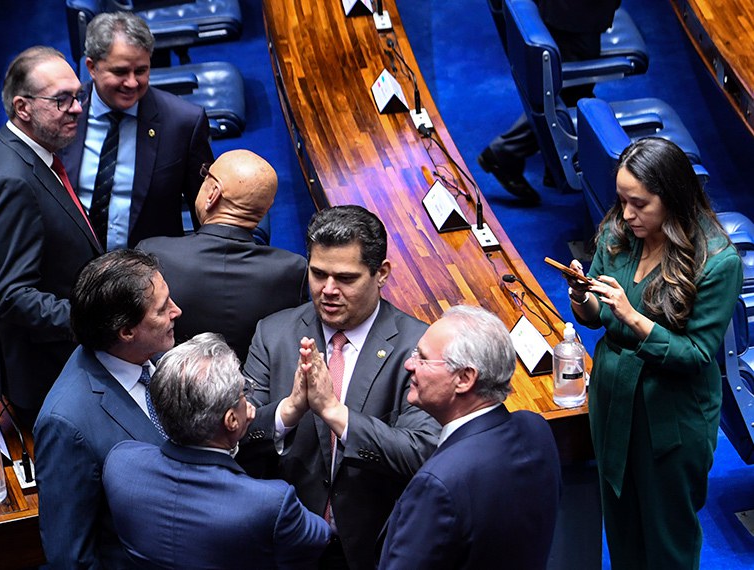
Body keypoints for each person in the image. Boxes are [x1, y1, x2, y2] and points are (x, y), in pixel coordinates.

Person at [565, 137, 742, 567]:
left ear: (673, 196)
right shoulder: (618, 232)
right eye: (623, 199)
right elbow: (594, 315)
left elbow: (697, 355)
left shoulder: (718, 262)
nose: (627, 214)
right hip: (612, 401)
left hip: (671, 417)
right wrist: (580, 296)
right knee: (621, 529)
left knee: (667, 541)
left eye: (640, 203)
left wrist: (633, 317)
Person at [241, 205, 439, 569]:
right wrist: (288, 411)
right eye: (318, 274)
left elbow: (421, 453)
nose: (328, 290)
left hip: (376, 545)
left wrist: (336, 413)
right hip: (287, 542)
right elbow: (234, 438)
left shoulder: (418, 345)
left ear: (381, 274)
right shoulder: (273, 334)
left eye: (346, 278)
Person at [103, 333, 330, 568]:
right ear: (231, 420)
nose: (248, 402)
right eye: (244, 393)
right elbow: (319, 537)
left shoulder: (121, 463)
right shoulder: (270, 503)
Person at [0, 46, 102, 430]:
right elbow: (13, 296)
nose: (77, 108)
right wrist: (95, 322)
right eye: (62, 100)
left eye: (79, 95)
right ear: (23, 108)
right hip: (46, 373)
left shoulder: (26, 150)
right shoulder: (13, 180)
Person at [377, 305, 561, 569]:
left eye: (423, 358)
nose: (409, 364)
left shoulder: (438, 483)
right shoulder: (536, 429)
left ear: (464, 378)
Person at [34, 249, 182, 569]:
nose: (177, 311)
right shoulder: (66, 425)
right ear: (126, 332)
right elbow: (69, 555)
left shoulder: (150, 353)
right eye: (162, 309)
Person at [58, 11, 214, 250]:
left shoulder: (183, 123)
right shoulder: (62, 113)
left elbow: (206, 215)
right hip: (72, 270)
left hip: (150, 275)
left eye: (141, 71)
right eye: (120, 72)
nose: (131, 83)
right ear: (92, 67)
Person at [138, 149, 309, 362]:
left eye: (205, 176)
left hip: (169, 388)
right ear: (266, 210)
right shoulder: (293, 270)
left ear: (213, 194)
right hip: (257, 392)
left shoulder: (153, 253)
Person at [478, 0, 621, 202]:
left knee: (572, 89)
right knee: (570, 92)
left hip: (568, 13)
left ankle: (546, 164)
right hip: (575, 16)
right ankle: (504, 152)